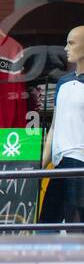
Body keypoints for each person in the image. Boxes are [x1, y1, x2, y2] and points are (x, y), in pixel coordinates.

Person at [42, 25, 84, 225]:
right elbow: (54, 127)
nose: (66, 48)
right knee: (46, 223)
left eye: (71, 43)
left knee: (76, 222)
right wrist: (42, 162)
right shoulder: (63, 83)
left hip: (80, 162)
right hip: (60, 163)